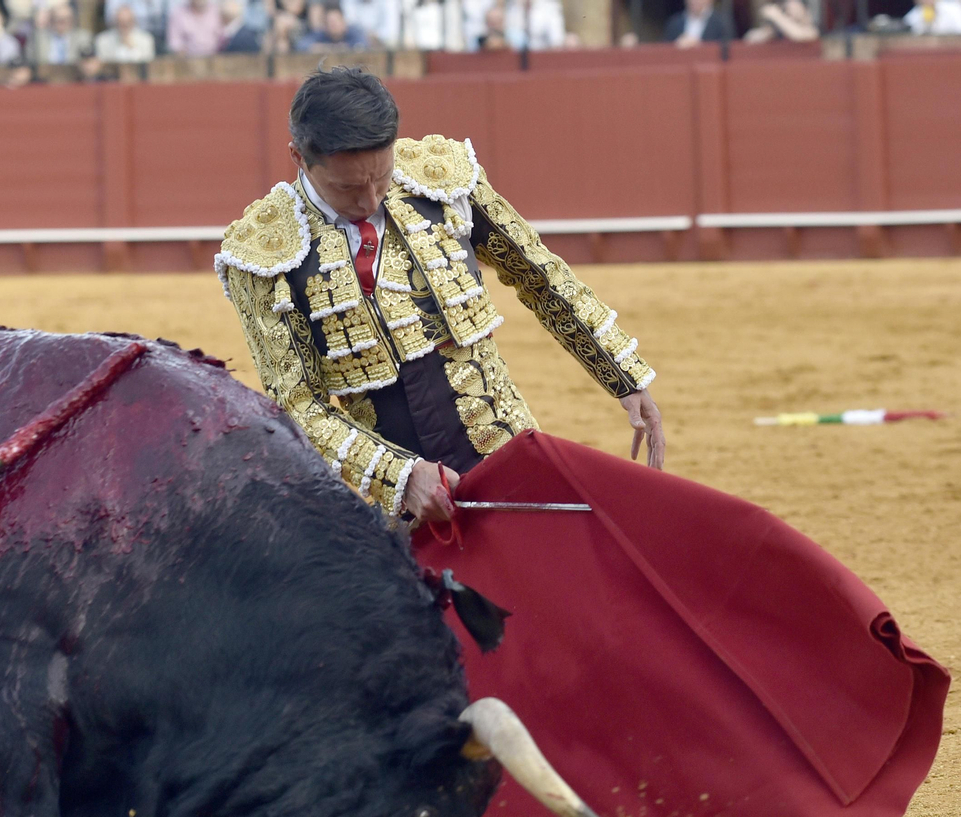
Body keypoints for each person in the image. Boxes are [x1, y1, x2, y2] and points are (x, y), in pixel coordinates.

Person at [217, 68, 662, 523]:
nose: (369, 200)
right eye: (347, 187)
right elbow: (298, 406)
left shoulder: (442, 180)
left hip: (506, 448)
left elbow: (538, 275)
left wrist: (622, 373)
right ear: (298, 157)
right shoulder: (263, 254)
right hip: (401, 501)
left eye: (382, 176)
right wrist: (400, 477)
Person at [298, 1, 365, 48]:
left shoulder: (353, 32)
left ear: (343, 21)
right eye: (330, 22)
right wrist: (325, 47)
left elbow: (364, 44)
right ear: (325, 24)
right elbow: (301, 45)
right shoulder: (321, 34)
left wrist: (346, 47)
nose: (333, 25)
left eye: (336, 21)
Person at [663, 0, 731, 43]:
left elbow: (727, 50)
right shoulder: (674, 23)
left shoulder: (722, 23)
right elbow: (663, 50)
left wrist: (699, 45)